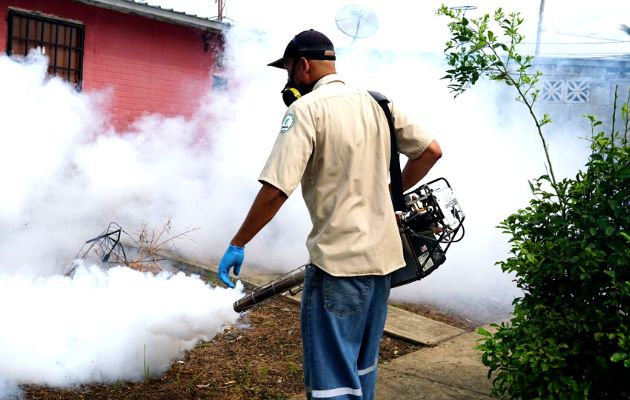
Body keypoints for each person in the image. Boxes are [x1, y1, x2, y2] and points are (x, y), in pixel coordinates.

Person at [217, 29, 442, 400]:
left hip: (339, 268)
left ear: (303, 66)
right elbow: (430, 151)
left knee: (332, 387)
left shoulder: (305, 111)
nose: (288, 80)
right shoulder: (379, 103)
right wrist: (390, 196)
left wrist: (239, 242)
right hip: (384, 265)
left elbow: (275, 191)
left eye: (288, 70)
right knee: (361, 369)